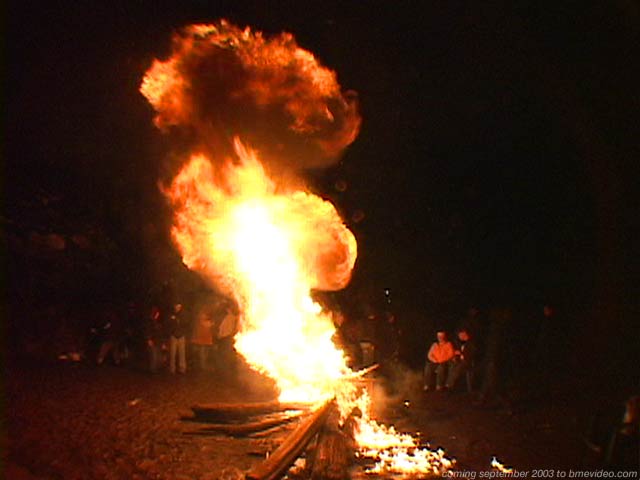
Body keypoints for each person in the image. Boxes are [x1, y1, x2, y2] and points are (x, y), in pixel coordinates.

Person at [167, 303, 188, 374]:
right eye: (177, 306)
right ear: (174, 306)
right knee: (172, 354)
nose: (178, 308)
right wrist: (171, 332)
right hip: (173, 336)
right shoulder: (171, 314)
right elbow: (168, 324)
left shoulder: (184, 314)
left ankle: (182, 369)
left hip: (181, 336)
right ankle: (172, 369)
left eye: (179, 306)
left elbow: (186, 323)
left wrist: (183, 332)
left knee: (182, 353)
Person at [144, 305, 165, 373]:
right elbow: (148, 330)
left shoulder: (157, 321)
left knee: (158, 356)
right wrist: (149, 339)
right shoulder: (150, 321)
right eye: (157, 313)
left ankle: (156, 368)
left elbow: (160, 332)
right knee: (153, 355)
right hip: (153, 340)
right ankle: (152, 370)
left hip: (158, 340)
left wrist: (162, 342)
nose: (158, 314)